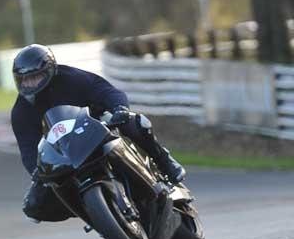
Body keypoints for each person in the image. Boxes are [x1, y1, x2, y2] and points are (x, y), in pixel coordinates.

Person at [11, 44, 186, 223]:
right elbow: (28, 149)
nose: (29, 83)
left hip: (97, 127)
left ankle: (165, 162)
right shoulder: (20, 112)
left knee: (135, 122)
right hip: (66, 152)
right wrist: (37, 170)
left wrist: (119, 108)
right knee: (35, 203)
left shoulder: (73, 78)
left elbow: (105, 91)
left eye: (34, 77)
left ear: (49, 70)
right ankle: (94, 215)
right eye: (24, 79)